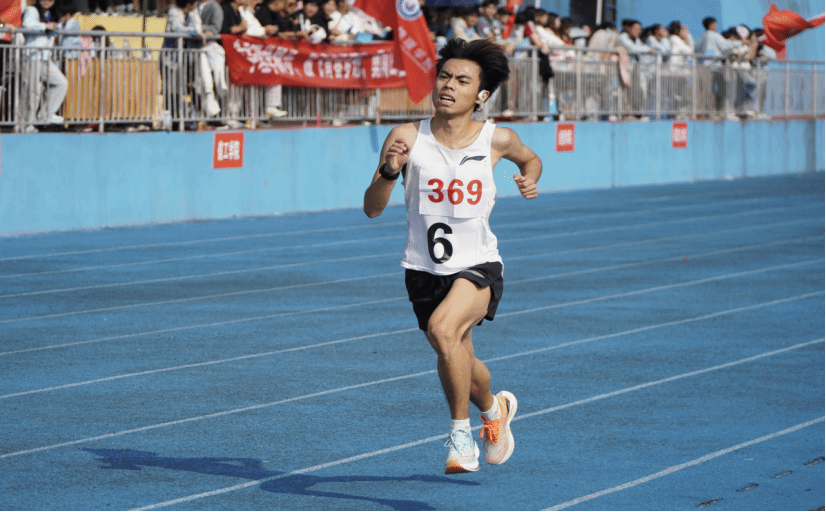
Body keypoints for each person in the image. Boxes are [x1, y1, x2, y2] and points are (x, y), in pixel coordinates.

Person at [362, 38, 542, 475]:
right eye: (444, 76)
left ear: (481, 95)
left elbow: (530, 159)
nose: (448, 86)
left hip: (478, 263)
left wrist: (529, 179)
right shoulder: (407, 137)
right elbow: (372, 207)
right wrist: (388, 172)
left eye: (462, 80)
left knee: (444, 330)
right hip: (423, 269)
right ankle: (495, 408)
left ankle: (461, 437)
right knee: (457, 355)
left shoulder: (497, 138)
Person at [21, 0, 68, 130]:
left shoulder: (50, 15)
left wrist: (55, 28)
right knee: (32, 91)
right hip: (32, 57)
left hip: (44, 58)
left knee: (61, 83)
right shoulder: (32, 10)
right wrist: (45, 26)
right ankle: (26, 125)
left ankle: (45, 115)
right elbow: (27, 24)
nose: (47, 1)